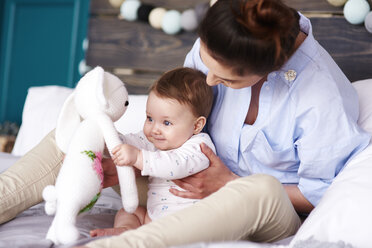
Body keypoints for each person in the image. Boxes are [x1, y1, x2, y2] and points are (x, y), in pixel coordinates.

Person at [0, 0, 370, 247]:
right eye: (206, 64)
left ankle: (128, 244)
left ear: (269, 69)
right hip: (174, 181)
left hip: (252, 206)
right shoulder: (228, 33)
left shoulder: (321, 98)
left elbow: (319, 192)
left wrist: (227, 182)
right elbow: (177, 116)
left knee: (261, 189)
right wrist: (131, 158)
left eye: (227, 81)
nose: (209, 81)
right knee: (91, 131)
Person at [89, 67, 215, 237]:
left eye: (167, 123)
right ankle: (126, 231)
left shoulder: (200, 146)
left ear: (197, 125)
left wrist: (138, 157)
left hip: (184, 222)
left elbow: (174, 166)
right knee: (129, 212)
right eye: (150, 118)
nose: (154, 129)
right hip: (152, 219)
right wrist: (104, 139)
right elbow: (127, 143)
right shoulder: (155, 140)